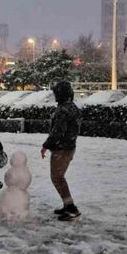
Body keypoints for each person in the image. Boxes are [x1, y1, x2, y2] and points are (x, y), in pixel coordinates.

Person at [41, 80, 81, 221]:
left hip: (61, 149)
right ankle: (68, 205)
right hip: (69, 147)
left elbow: (58, 132)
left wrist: (46, 145)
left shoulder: (63, 110)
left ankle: (71, 208)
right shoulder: (72, 107)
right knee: (59, 178)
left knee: (57, 178)